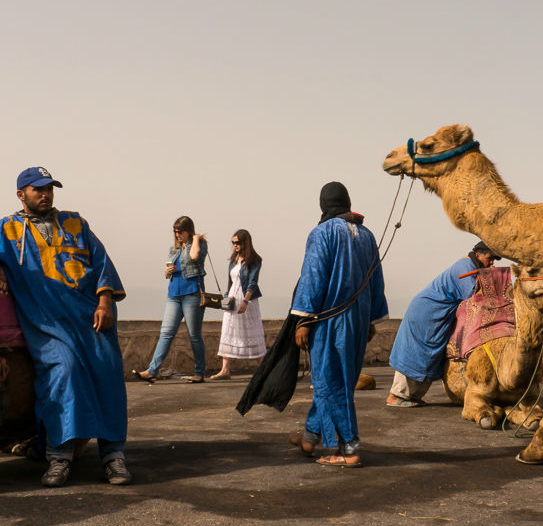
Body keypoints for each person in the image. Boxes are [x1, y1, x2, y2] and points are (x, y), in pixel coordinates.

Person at [0, 166, 131, 487]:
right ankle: (59, 457)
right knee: (61, 374)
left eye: (49, 188)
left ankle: (114, 456)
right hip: (49, 324)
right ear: (22, 195)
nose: (46, 194)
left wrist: (105, 301)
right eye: (38, 189)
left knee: (108, 373)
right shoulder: (6, 230)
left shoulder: (76, 223)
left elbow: (101, 261)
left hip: (91, 316)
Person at [287, 181, 388, 468]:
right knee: (337, 380)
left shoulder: (322, 233)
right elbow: (376, 280)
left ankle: (349, 448)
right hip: (357, 320)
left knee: (330, 382)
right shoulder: (367, 235)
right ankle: (309, 436)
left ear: (323, 205)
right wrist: (370, 320)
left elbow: (313, 277)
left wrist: (304, 320)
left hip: (331, 320)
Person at [385, 242, 499, 408]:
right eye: (489, 259)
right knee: (415, 352)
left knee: (429, 355)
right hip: (426, 313)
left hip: (437, 315)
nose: (491, 263)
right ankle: (395, 396)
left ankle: (412, 395)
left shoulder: (472, 268)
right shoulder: (466, 267)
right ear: (479, 254)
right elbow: (473, 297)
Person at [134, 216, 208, 383]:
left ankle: (199, 372)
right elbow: (168, 271)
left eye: (180, 231)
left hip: (192, 294)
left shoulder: (199, 244)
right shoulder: (174, 249)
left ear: (188, 231)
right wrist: (167, 272)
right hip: (173, 294)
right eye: (175, 232)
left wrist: (195, 238)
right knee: (166, 332)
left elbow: (195, 257)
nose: (177, 235)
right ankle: (152, 370)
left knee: (194, 335)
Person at [210, 229, 267, 380]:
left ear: (245, 243)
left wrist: (245, 301)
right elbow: (230, 282)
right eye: (233, 242)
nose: (235, 245)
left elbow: (253, 283)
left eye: (237, 242)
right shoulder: (233, 261)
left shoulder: (254, 260)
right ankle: (225, 370)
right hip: (233, 298)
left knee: (251, 331)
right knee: (229, 330)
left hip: (246, 298)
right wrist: (226, 298)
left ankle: (262, 369)